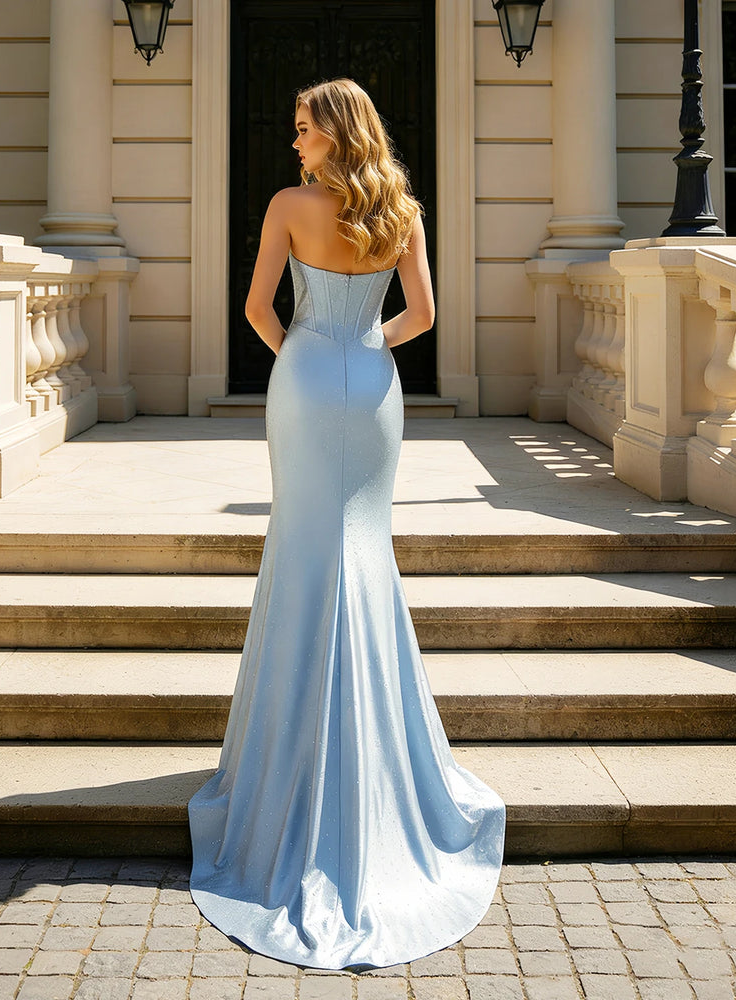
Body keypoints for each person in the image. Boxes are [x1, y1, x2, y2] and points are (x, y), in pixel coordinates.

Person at [188, 78, 505, 971]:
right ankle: (377, 769)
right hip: (372, 386)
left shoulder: (289, 206)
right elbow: (425, 316)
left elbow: (257, 308)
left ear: (334, 132)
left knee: (303, 550)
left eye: (303, 129)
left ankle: (283, 770)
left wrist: (308, 351)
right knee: (362, 552)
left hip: (304, 378)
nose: (294, 144)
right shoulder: (398, 206)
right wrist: (363, 346)